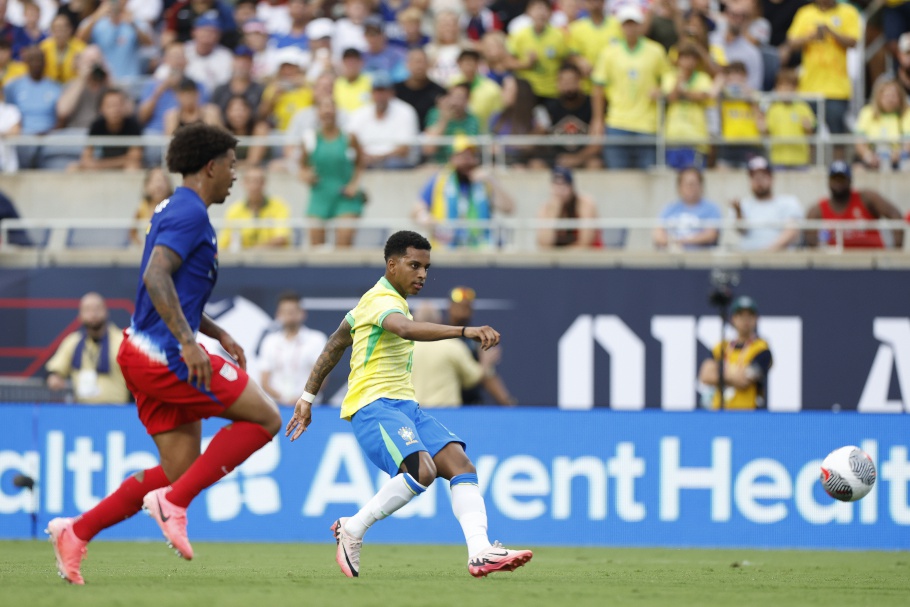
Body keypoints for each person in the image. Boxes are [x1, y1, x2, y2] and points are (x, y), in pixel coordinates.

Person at [46, 123, 281, 586]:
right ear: (211, 166)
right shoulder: (190, 214)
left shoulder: (176, 207)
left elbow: (173, 287)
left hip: (143, 349)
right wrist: (192, 342)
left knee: (181, 468)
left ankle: (76, 531)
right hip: (164, 356)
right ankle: (174, 503)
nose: (235, 175)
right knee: (266, 418)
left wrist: (213, 329)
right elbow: (156, 277)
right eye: (232, 165)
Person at [285, 230, 532, 579]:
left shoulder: (378, 302)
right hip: (373, 406)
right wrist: (464, 331)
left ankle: (480, 551)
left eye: (427, 267)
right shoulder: (380, 300)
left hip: (405, 407)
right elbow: (402, 329)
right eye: (414, 265)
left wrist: (307, 398)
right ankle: (352, 529)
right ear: (392, 264)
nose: (422, 274)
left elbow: (335, 344)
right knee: (423, 471)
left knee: (461, 465)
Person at [592, 5, 670, 170]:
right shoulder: (609, 53)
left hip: (647, 123)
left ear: (640, 25)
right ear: (621, 26)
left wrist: (662, 90)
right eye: (626, 24)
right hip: (617, 122)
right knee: (618, 177)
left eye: (634, 23)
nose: (630, 28)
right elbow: (598, 87)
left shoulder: (655, 51)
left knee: (647, 179)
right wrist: (598, 120)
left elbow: (668, 77)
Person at [413, 135, 515, 249]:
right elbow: (417, 210)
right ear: (452, 158)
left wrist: (491, 181)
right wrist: (424, 216)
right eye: (462, 156)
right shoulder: (439, 180)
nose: (467, 161)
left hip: (479, 250)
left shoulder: (484, 182)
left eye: (471, 156)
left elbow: (508, 208)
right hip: (446, 250)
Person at [786, 0, 860, 154]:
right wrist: (812, 36)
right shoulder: (804, 12)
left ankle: (839, 172)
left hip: (837, 88)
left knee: (837, 136)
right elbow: (791, 42)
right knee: (808, 132)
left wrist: (831, 32)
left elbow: (854, 41)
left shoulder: (848, 12)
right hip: (809, 87)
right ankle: (810, 170)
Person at [300, 97, 366, 247]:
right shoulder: (310, 139)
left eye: (330, 108)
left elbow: (360, 163)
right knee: (316, 242)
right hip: (320, 194)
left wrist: (354, 184)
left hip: (345, 196)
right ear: (317, 113)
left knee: (344, 240)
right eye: (323, 108)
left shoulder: (349, 137)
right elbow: (302, 166)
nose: (327, 112)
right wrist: (305, 175)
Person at [45, 292, 130, 404]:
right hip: (83, 411)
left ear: (106, 312)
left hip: (118, 411)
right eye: (87, 309)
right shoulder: (72, 342)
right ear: (80, 316)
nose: (93, 313)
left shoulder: (122, 341)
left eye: (97, 308)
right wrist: (54, 378)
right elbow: (54, 369)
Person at [409, 301, 492, 408]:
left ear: (413, 321)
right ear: (439, 321)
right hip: (447, 413)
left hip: (413, 412)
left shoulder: (404, 348)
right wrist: (485, 363)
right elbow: (471, 379)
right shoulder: (454, 346)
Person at [444, 285, 517, 406]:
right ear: (450, 307)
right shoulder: (438, 337)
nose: (463, 308)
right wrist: (484, 364)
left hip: (469, 405)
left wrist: (508, 403)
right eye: (459, 305)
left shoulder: (475, 341)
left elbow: (488, 376)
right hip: (445, 405)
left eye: (467, 306)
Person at [805, 161, 904, 249]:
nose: (838, 183)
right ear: (828, 182)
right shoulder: (817, 210)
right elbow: (810, 240)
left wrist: (896, 252)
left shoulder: (867, 198)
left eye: (842, 179)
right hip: (836, 264)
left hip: (873, 262)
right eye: (835, 178)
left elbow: (895, 215)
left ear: (850, 180)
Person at [698, 295, 772, 410]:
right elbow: (705, 376)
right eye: (741, 315)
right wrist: (733, 373)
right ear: (733, 319)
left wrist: (720, 372)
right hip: (719, 411)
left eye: (750, 316)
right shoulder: (721, 347)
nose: (745, 320)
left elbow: (745, 379)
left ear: (756, 319)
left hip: (748, 413)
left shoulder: (762, 348)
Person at [258, 292, 328, 406]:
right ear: (278, 315)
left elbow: (321, 377)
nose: (289, 315)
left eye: (292, 311)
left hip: (309, 407)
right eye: (285, 312)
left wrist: (301, 399)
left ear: (302, 313)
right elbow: (264, 380)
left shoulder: (316, 340)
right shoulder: (269, 342)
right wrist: (282, 399)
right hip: (276, 407)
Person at [347, 70, 419, 169]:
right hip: (366, 162)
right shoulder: (359, 113)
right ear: (371, 93)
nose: (380, 96)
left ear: (391, 93)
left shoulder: (405, 111)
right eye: (377, 91)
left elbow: (405, 149)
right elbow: (350, 141)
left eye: (383, 91)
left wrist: (379, 158)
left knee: (393, 163)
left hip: (396, 164)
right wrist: (363, 155)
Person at [730, 156, 803, 251]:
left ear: (772, 178)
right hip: (747, 261)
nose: (758, 181)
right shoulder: (742, 205)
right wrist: (739, 212)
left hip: (781, 261)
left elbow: (792, 232)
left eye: (763, 176)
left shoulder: (788, 202)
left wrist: (767, 252)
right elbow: (741, 231)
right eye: (754, 177)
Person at [662, 43, 714, 170]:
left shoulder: (703, 78)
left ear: (697, 61)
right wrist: (680, 81)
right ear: (678, 60)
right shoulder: (670, 77)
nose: (688, 62)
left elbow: (703, 96)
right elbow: (671, 98)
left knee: (694, 178)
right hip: (673, 138)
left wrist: (683, 92)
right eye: (684, 58)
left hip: (696, 140)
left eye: (692, 58)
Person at [537, 63, 600, 169]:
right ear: (557, 83)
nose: (568, 85)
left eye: (572, 81)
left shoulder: (592, 105)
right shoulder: (548, 107)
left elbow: (597, 143)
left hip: (583, 157)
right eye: (564, 81)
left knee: (595, 164)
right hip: (556, 158)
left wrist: (577, 158)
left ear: (580, 82)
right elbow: (541, 137)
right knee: (536, 165)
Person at [506, 0, 570, 101]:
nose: (540, 13)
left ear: (550, 13)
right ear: (528, 12)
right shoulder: (519, 36)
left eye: (544, 9)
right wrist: (525, 64)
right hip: (526, 92)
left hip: (552, 92)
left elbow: (566, 61)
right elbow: (507, 61)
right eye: (536, 8)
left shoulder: (559, 36)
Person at [76, 0, 153, 82]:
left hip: (129, 81)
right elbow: (78, 41)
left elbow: (149, 44)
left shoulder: (135, 20)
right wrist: (96, 17)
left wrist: (133, 23)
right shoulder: (95, 20)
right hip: (102, 82)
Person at [71, 87, 143, 171]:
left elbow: (135, 158)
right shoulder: (96, 126)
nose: (115, 110)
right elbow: (86, 158)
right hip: (103, 166)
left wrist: (99, 164)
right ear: (101, 109)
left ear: (124, 106)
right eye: (110, 106)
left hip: (122, 168)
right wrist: (99, 165)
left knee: (132, 168)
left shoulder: (133, 125)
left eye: (118, 105)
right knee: (73, 168)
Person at [220, 166, 292, 249]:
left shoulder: (279, 206)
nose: (254, 186)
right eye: (250, 181)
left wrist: (253, 250)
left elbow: (282, 239)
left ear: (264, 183)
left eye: (258, 181)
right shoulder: (234, 210)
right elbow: (223, 243)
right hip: (242, 260)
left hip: (273, 259)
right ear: (243, 183)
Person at [653, 167, 722, 250]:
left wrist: (681, 242)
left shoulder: (711, 208)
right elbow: (658, 235)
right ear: (679, 187)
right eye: (686, 184)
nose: (690, 188)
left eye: (693, 184)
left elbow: (711, 235)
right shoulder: (670, 208)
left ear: (701, 186)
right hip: (672, 257)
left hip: (701, 258)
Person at [760, 68, 815, 169]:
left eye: (790, 87)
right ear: (777, 88)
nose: (786, 91)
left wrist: (808, 128)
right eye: (783, 87)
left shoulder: (803, 107)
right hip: (778, 160)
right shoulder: (772, 109)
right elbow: (767, 133)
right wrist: (763, 128)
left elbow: (810, 134)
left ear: (796, 88)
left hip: (800, 160)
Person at [853, 79, 910, 172]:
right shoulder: (867, 112)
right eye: (887, 95)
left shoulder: (907, 113)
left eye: (894, 96)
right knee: (858, 169)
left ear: (900, 97)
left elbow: (908, 143)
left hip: (900, 159)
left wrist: (900, 154)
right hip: (873, 157)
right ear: (878, 96)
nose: (890, 99)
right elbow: (859, 142)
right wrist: (869, 157)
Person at [536, 166, 600, 249]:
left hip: (587, 257)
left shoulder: (584, 204)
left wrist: (563, 256)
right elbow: (544, 244)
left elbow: (586, 242)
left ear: (571, 187)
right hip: (559, 259)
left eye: (563, 185)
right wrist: (553, 215)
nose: (559, 190)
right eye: (556, 185)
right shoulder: (546, 208)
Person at [423, 83, 481, 163]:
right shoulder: (435, 114)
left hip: (464, 165)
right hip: (439, 164)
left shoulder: (473, 119)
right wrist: (444, 120)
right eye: (452, 96)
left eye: (460, 98)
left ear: (468, 100)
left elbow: (475, 148)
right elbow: (429, 149)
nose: (456, 101)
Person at [394, 47, 446, 130]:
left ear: (429, 65)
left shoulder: (439, 91)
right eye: (416, 62)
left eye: (423, 62)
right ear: (407, 64)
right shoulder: (394, 91)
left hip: (429, 138)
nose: (420, 66)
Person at [131, 167, 174, 246]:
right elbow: (133, 231)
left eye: (162, 180)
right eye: (154, 181)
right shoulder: (142, 207)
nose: (158, 185)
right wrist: (140, 244)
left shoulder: (173, 208)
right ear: (146, 186)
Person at [39, 13, 86, 83]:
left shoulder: (80, 48)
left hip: (72, 84)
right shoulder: (44, 47)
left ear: (69, 30)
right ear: (51, 31)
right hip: (49, 85)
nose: (59, 33)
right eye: (56, 29)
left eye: (62, 29)